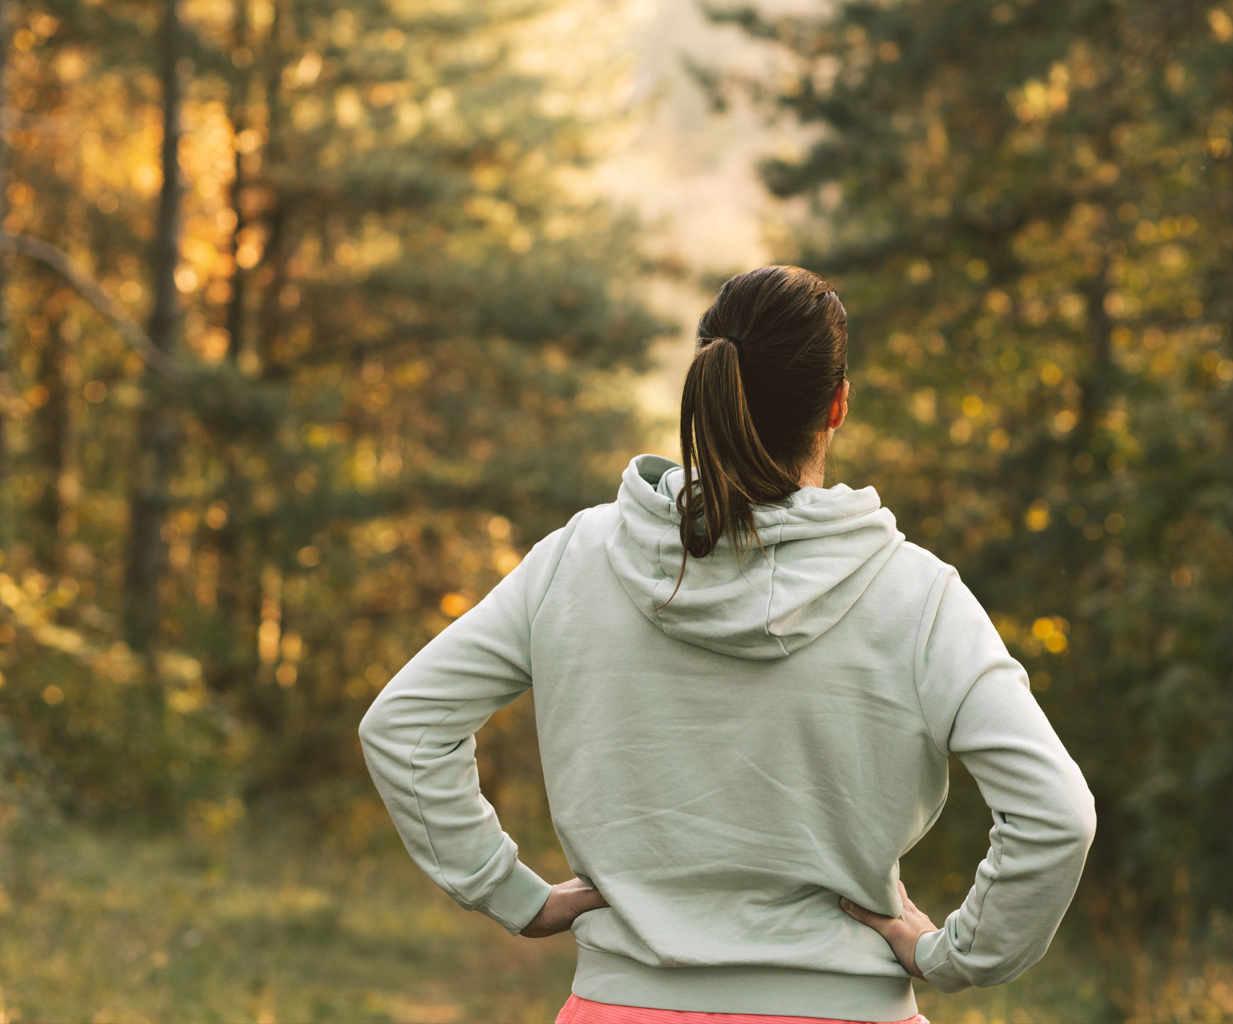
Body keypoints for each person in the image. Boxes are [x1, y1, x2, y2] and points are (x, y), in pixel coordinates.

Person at [359, 265, 1096, 1023]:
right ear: (836, 405)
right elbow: (1056, 815)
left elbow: (405, 726)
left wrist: (515, 896)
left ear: (709, 385)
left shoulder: (579, 559)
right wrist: (950, 955)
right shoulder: (918, 596)